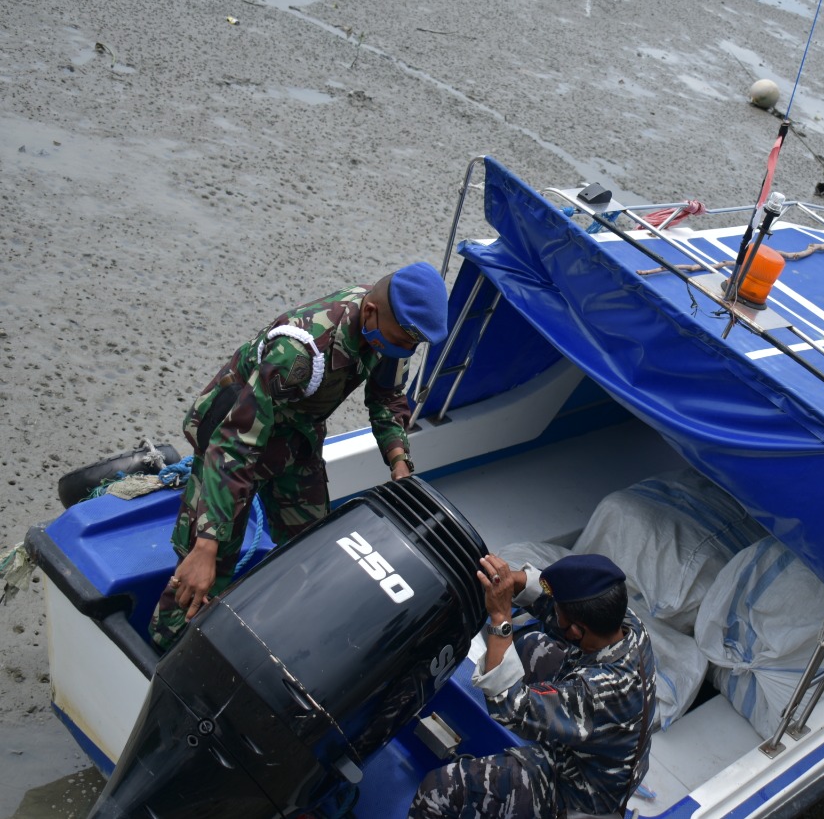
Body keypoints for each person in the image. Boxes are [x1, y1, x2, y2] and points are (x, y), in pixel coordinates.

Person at [149, 263, 449, 650]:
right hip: (234, 434)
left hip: (295, 437)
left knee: (314, 548)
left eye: (416, 343)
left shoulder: (389, 335)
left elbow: (387, 399)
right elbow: (234, 444)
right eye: (408, 338)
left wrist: (399, 463)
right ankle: (163, 646)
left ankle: (271, 632)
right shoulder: (300, 350)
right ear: (372, 313)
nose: (409, 349)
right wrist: (207, 544)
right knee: (205, 566)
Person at [409, 553, 657, 819]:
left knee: (438, 789)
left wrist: (500, 619)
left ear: (577, 630)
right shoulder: (626, 624)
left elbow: (509, 707)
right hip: (600, 745)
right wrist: (514, 581)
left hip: (578, 792)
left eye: (560, 612)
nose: (555, 611)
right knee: (532, 646)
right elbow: (560, 605)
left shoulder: (598, 692)